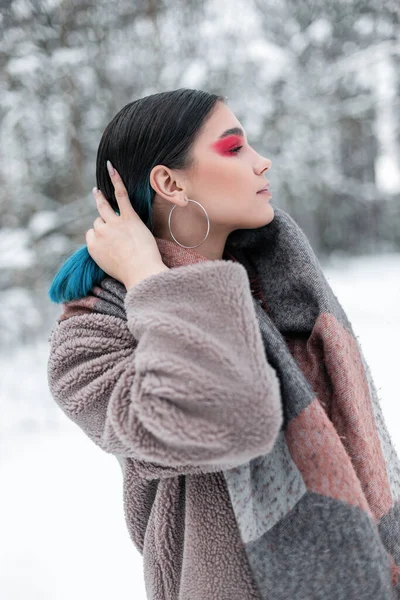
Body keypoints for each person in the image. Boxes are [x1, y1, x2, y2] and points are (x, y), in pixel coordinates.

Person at [47, 89, 400, 600]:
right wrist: (152, 281)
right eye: (235, 148)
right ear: (169, 182)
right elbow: (230, 420)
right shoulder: (92, 335)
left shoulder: (283, 289)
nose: (263, 162)